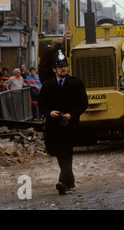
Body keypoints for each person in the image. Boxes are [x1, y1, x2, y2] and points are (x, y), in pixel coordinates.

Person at [38, 50, 88, 195]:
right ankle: (70, 181)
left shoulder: (76, 83)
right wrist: (49, 113)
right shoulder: (47, 85)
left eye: (65, 66)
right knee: (59, 153)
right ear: (54, 69)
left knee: (66, 152)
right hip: (54, 127)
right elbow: (41, 105)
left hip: (69, 126)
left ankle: (62, 182)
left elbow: (83, 104)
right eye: (60, 67)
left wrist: (71, 114)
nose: (63, 69)